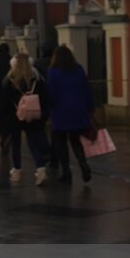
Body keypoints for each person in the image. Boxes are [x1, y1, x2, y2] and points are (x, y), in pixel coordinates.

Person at [47, 45, 94, 184]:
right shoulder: (78, 70)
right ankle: (84, 165)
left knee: (61, 143)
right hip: (78, 111)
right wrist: (90, 107)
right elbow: (87, 89)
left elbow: (51, 94)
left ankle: (66, 172)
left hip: (60, 112)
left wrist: (49, 108)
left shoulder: (53, 71)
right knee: (75, 141)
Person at [1, 52, 50, 186]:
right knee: (33, 143)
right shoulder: (37, 78)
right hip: (32, 115)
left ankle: (16, 171)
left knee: (16, 144)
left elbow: (4, 102)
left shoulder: (9, 79)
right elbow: (45, 97)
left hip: (15, 116)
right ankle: (41, 169)